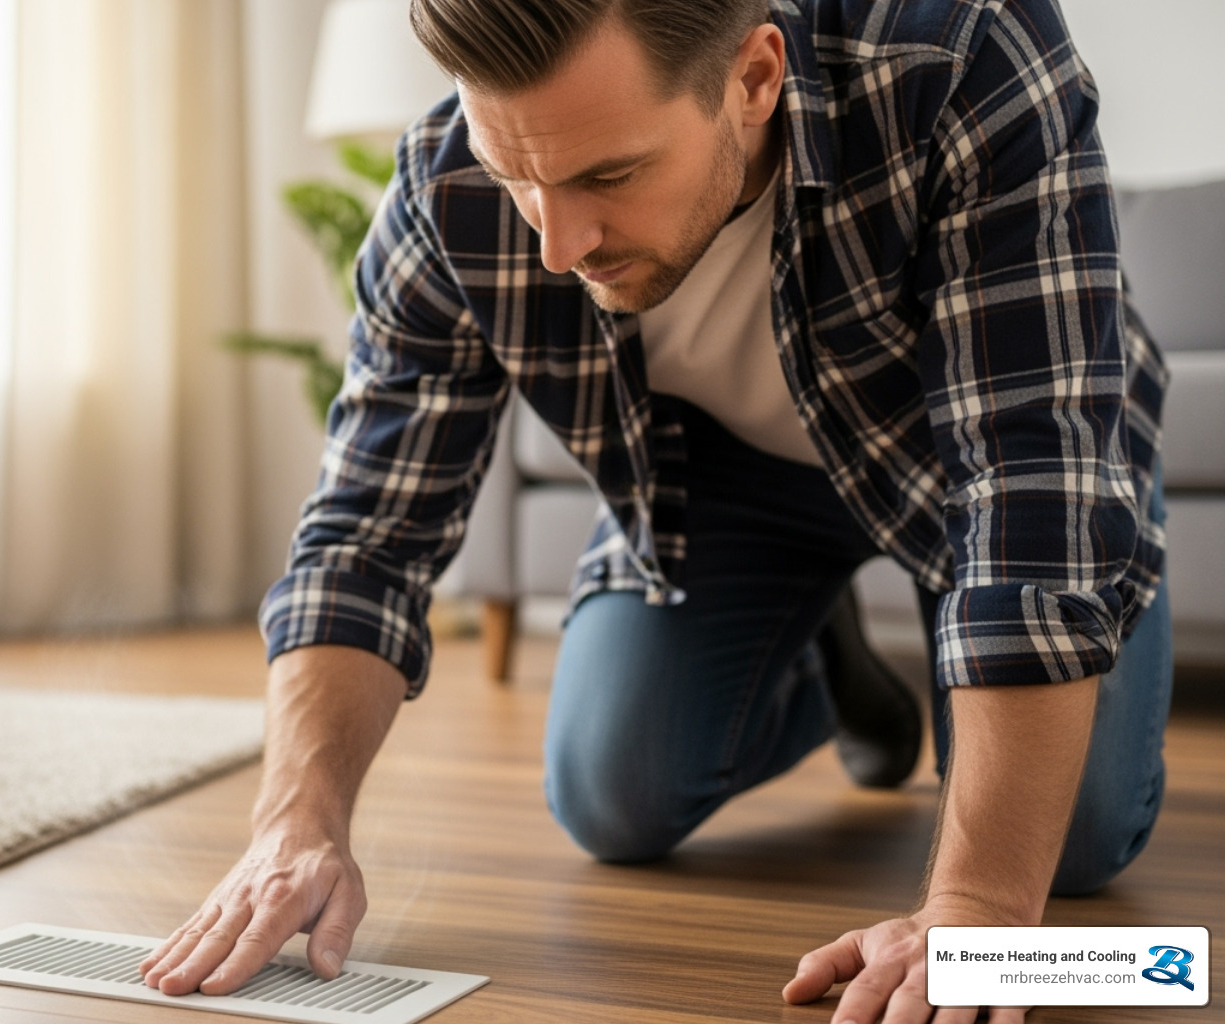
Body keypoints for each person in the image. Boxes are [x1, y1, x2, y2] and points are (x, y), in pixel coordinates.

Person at [141, 0, 1171, 1020]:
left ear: (756, 78)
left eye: (609, 174)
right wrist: (296, 823)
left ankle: (931, 686)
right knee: (612, 793)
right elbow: (363, 535)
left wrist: (977, 905)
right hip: (728, 485)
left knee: (1067, 849)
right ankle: (830, 663)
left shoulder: (960, 51)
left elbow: (1033, 487)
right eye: (520, 180)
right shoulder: (447, 184)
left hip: (993, 464)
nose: (557, 244)